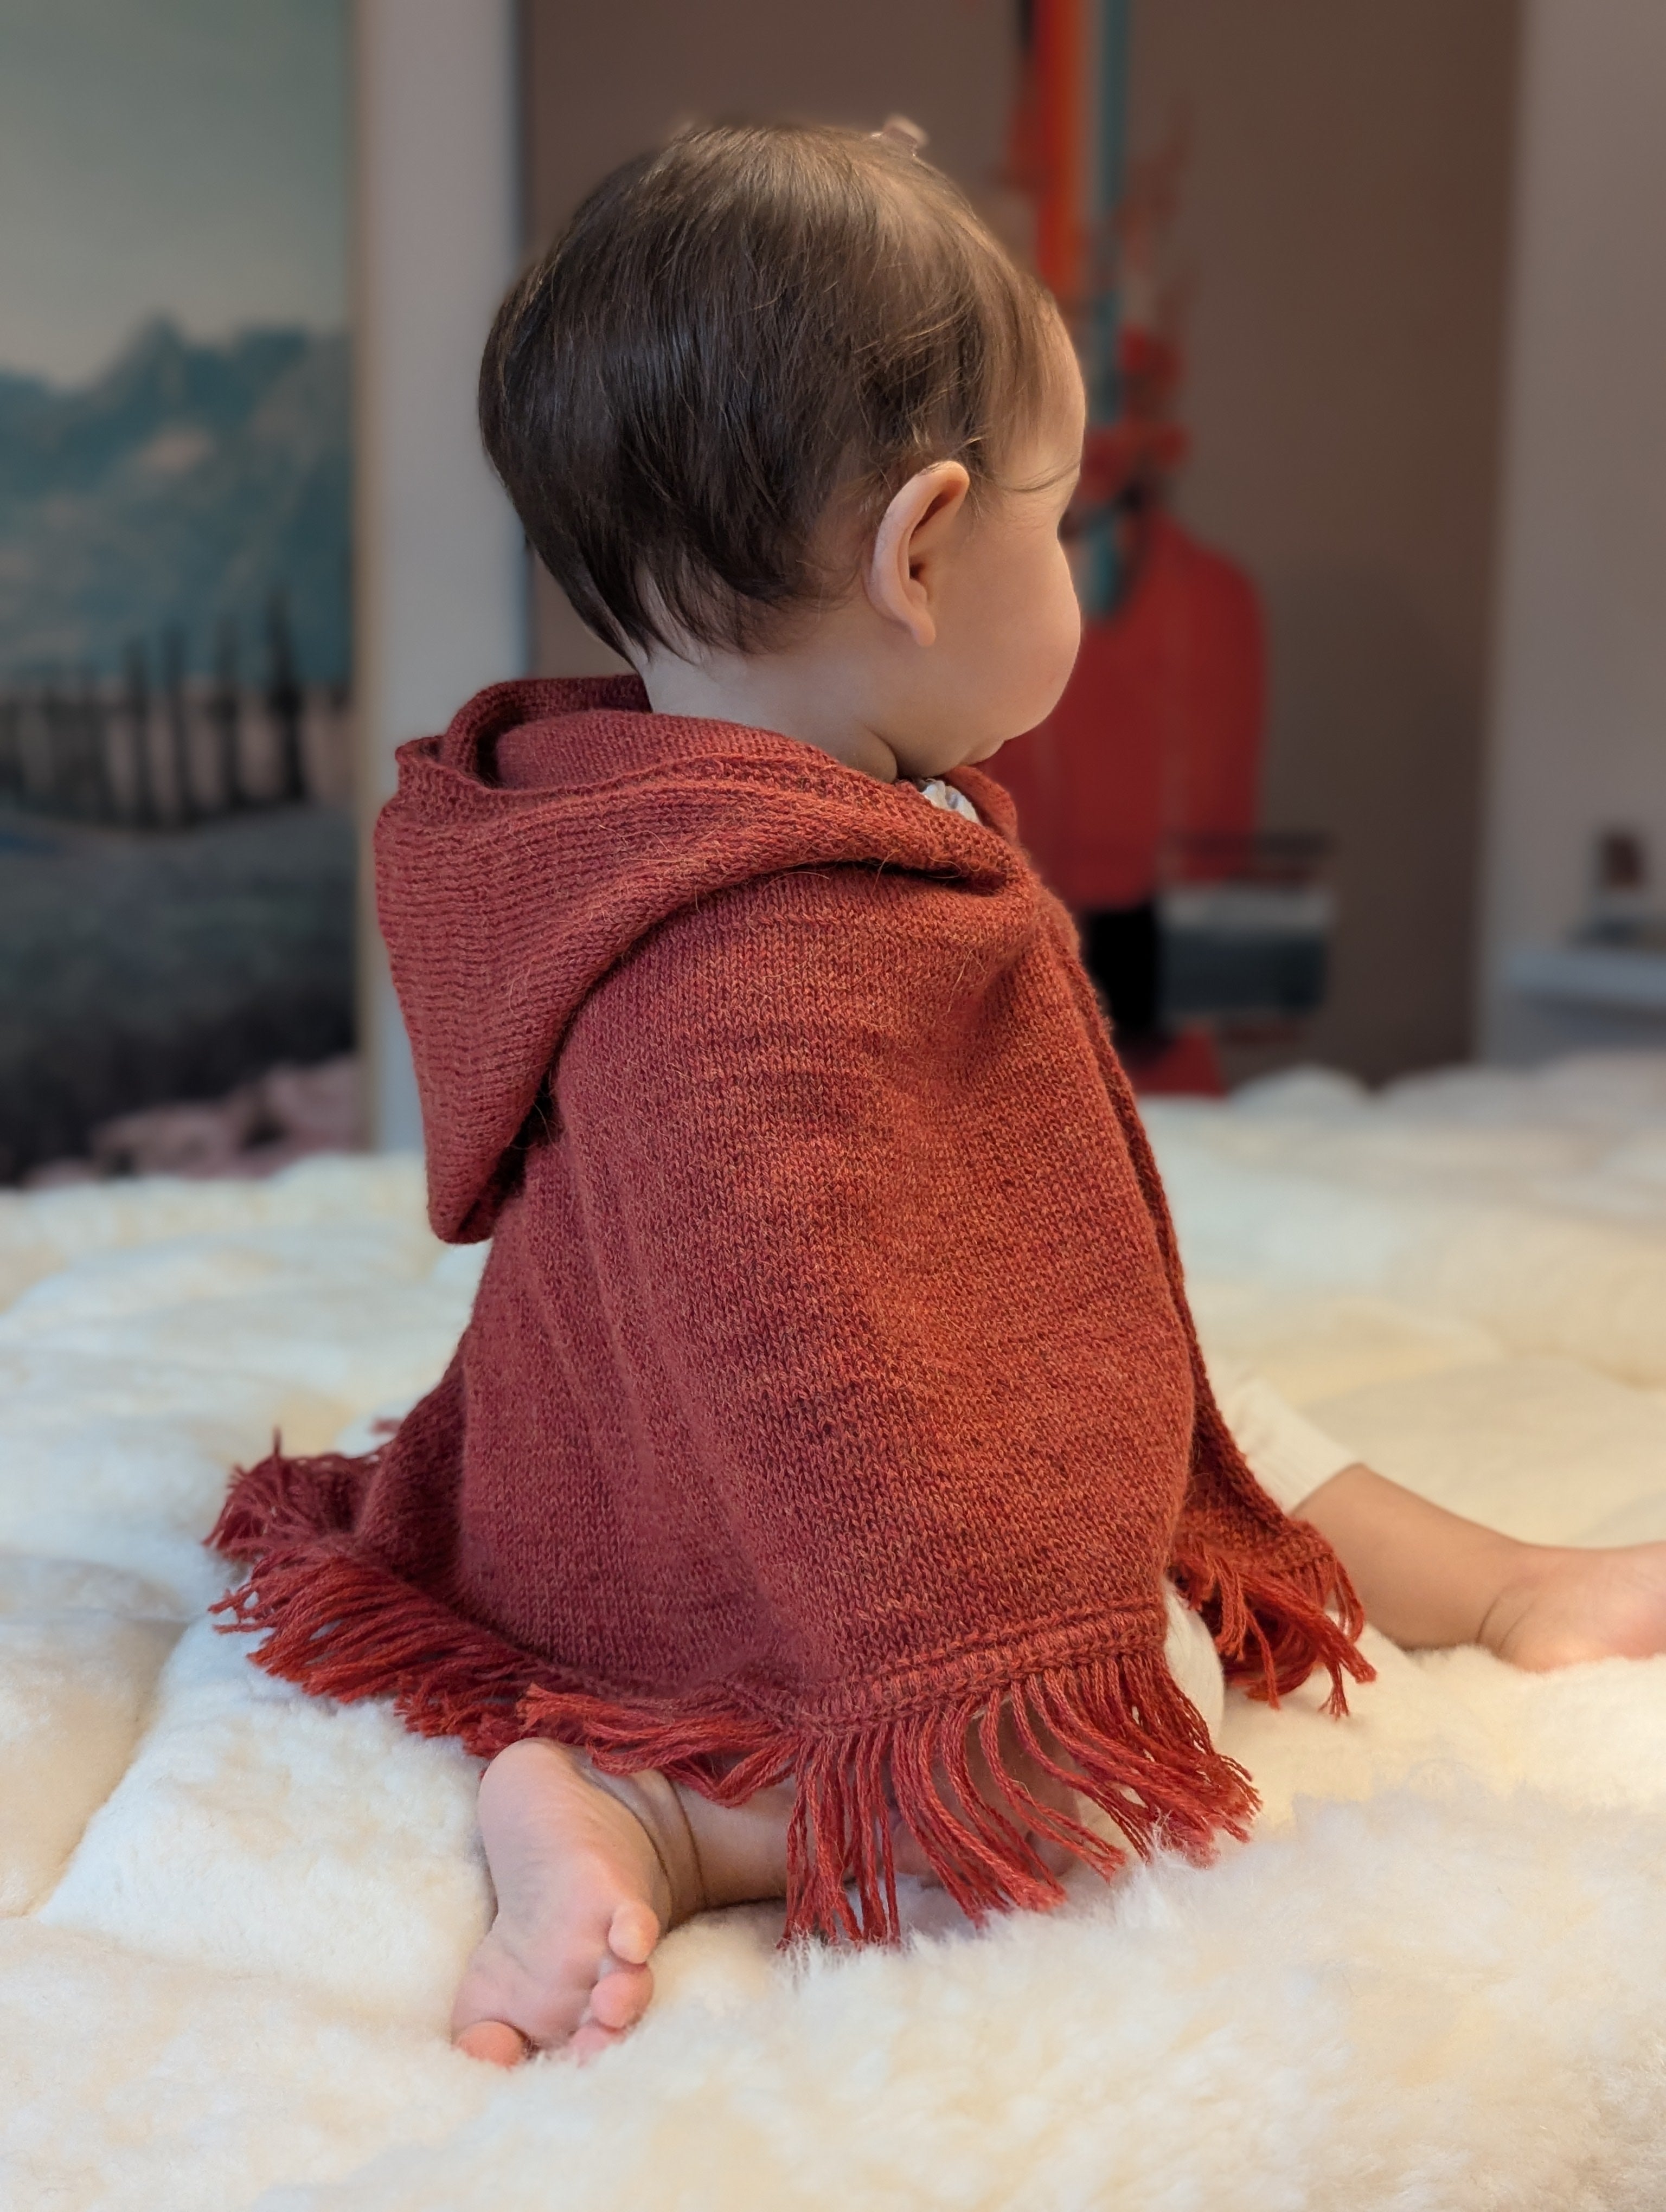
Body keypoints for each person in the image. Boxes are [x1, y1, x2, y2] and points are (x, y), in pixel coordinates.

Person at [211, 122, 1666, 2070]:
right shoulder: (752, 950)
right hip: (746, 1509)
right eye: (1058, 528)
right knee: (1103, 1734)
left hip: (704, 1421)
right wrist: (990, 1637)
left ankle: (1504, 1591)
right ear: (923, 551)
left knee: (1202, 1413)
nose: (1069, 571)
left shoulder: (736, 825)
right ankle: (662, 1806)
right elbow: (804, 1365)